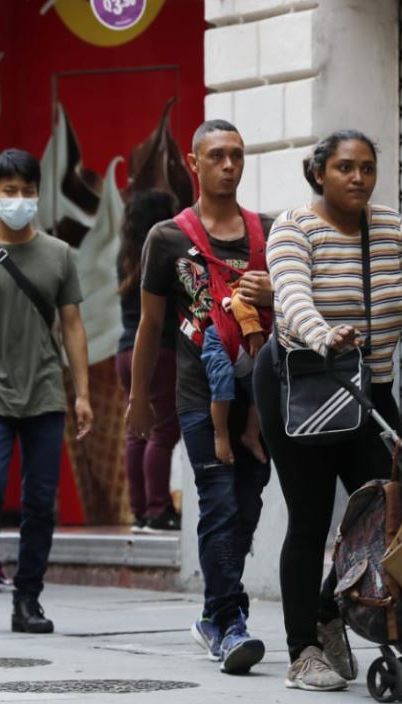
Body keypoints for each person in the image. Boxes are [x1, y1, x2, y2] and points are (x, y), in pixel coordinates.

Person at [253, 129, 402, 691]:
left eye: (367, 168)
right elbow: (292, 296)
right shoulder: (294, 228)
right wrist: (323, 335)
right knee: (311, 517)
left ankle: (329, 608)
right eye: (346, 167)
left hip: (369, 392)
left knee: (387, 518)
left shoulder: (393, 229)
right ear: (319, 173)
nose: (358, 178)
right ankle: (303, 651)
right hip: (303, 390)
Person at [129, 119, 273, 675]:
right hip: (196, 392)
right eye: (217, 156)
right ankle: (231, 622)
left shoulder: (267, 232)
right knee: (217, 499)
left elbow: (298, 309)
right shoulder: (167, 237)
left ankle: (215, 615)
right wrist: (140, 397)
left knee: (249, 503)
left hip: (259, 394)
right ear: (194, 163)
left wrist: (274, 297)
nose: (229, 165)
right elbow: (149, 324)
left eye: (237, 154)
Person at [0, 149, 93, 633]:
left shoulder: (59, 254)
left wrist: (83, 393)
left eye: (28, 191)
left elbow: (73, 326)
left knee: (39, 500)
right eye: (10, 191)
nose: (20, 199)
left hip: (46, 393)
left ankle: (28, 597)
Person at [115, 189, 182, 532]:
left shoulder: (125, 255)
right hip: (159, 350)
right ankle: (158, 509)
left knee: (137, 431)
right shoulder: (165, 251)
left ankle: (140, 510)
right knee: (163, 429)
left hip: (125, 349)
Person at [202, 276, 268, 467]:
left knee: (259, 392)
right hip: (224, 338)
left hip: (249, 353)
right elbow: (238, 298)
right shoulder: (253, 283)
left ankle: (251, 434)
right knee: (222, 383)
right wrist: (253, 330)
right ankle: (220, 435)